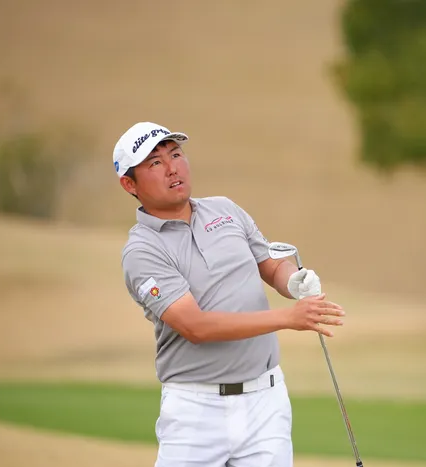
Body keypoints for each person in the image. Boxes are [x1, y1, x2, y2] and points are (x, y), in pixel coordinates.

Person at [113, 121, 346, 467]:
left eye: (175, 154)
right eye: (155, 163)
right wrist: (288, 318)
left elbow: (270, 265)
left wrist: (293, 281)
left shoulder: (225, 209)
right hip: (195, 410)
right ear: (129, 184)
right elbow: (195, 326)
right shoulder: (142, 251)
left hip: (265, 402)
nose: (172, 168)